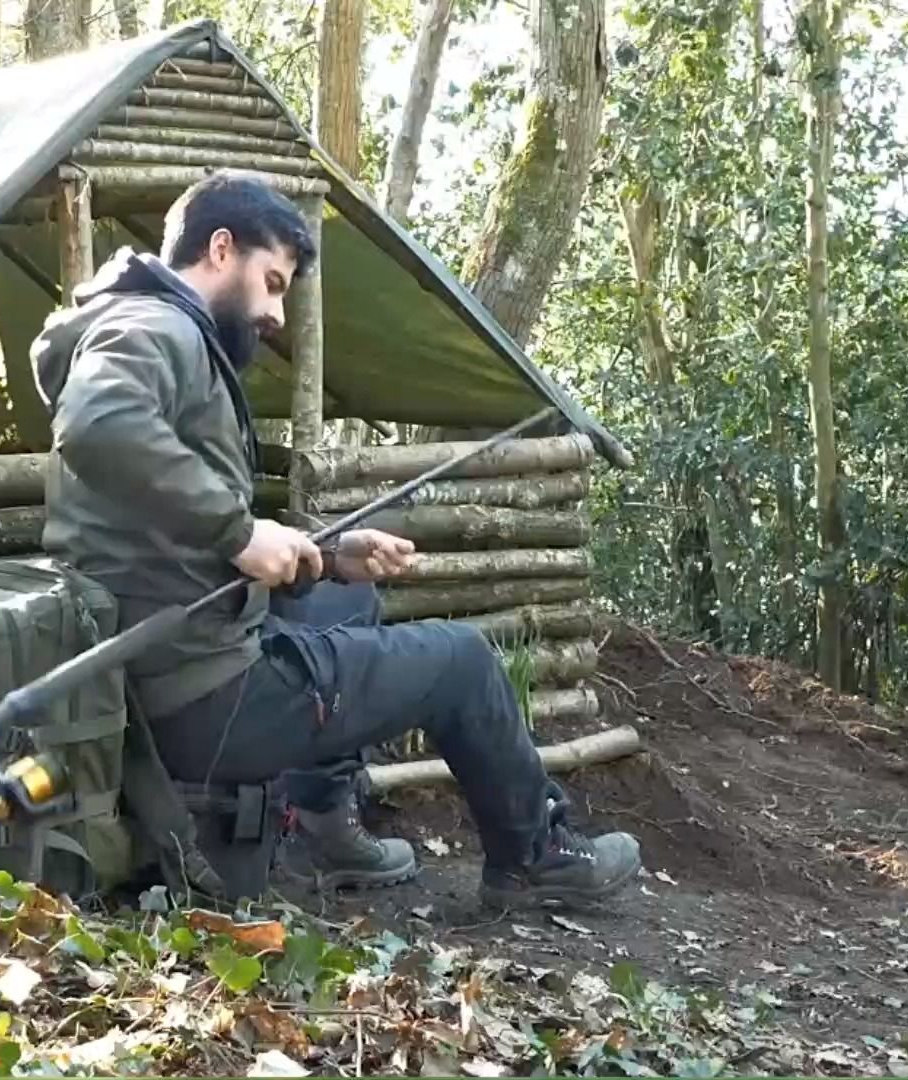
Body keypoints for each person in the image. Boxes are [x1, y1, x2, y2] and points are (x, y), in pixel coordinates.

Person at [31, 171, 641, 908]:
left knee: (345, 603)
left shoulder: (149, 326)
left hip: (158, 662)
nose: (276, 314)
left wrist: (325, 553)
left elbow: (170, 541)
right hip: (197, 699)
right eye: (273, 282)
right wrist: (236, 531)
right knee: (464, 662)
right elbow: (100, 426)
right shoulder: (156, 329)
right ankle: (535, 860)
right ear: (220, 249)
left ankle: (323, 823)